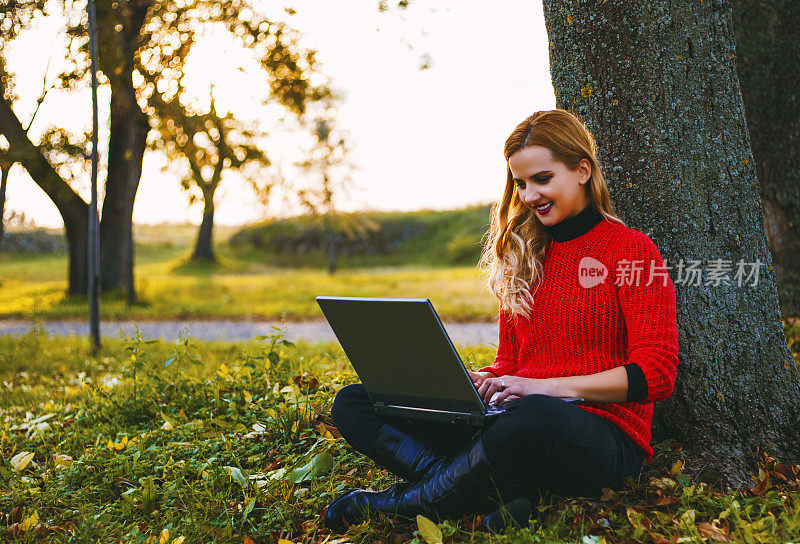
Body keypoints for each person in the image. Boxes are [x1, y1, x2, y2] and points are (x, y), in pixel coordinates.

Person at [322, 109, 680, 533]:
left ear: (583, 170)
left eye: (543, 179)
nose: (530, 196)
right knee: (355, 402)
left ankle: (407, 503)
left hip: (600, 436)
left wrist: (542, 389)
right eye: (521, 183)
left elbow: (657, 374)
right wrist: (480, 381)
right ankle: (489, 491)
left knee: (534, 417)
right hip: (513, 423)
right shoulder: (523, 254)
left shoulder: (632, 251)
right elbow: (513, 363)